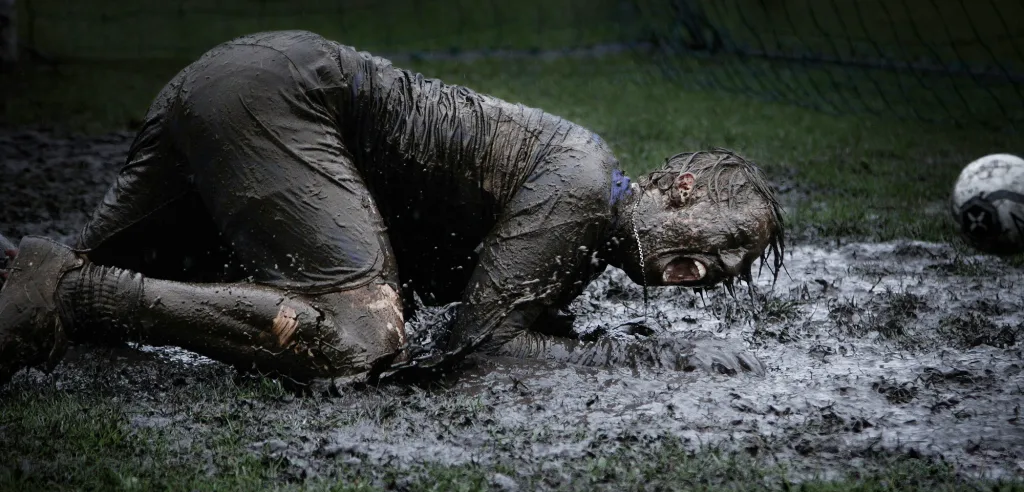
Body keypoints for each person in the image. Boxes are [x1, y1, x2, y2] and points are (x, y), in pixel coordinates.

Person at [0, 30, 783, 387]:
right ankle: (76, 294)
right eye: (723, 243)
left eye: (731, 270)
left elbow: (496, 322)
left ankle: (53, 279)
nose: (711, 272)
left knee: (38, 287)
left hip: (243, 82)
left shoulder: (586, 211)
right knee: (362, 339)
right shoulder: (585, 182)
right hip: (277, 98)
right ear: (680, 191)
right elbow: (478, 355)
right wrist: (645, 357)